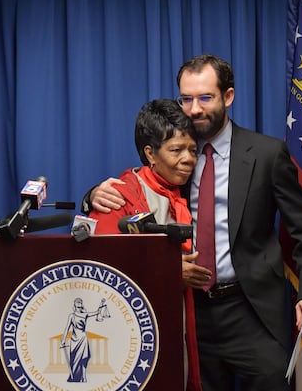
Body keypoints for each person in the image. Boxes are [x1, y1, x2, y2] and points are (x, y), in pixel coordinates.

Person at [83, 55, 302, 390]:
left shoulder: (267, 154)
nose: (194, 109)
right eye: (187, 99)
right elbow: (138, 190)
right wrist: (92, 195)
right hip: (191, 313)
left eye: (205, 98)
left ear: (228, 97)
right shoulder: (176, 154)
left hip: (253, 310)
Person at [86, 98, 203, 391]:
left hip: (179, 321)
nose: (188, 159)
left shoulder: (184, 186)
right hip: (132, 335)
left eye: (192, 150)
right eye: (176, 150)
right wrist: (168, 271)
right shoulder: (121, 194)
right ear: (150, 153)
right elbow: (99, 269)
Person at [60, 298, 108, 383]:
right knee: (73, 358)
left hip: (83, 338)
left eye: (80, 302)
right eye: (77, 302)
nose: (79, 303)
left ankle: (84, 377)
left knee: (84, 358)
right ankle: (74, 377)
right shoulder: (72, 315)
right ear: (74, 304)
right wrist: (64, 339)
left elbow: (97, 312)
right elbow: (67, 328)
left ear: (82, 304)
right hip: (74, 340)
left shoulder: (85, 314)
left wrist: (102, 303)